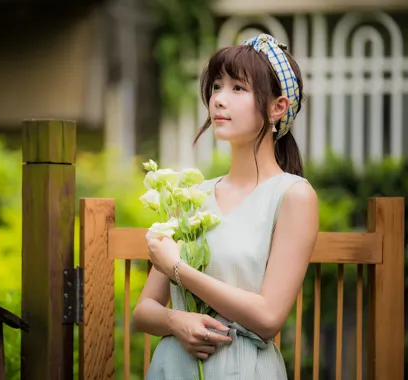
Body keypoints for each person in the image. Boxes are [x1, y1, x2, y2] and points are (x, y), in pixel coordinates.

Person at [133, 33, 319, 379]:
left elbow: (268, 318)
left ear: (277, 107)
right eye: (217, 86)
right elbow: (143, 311)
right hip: (172, 366)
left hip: (243, 367)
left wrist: (178, 270)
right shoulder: (191, 197)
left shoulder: (293, 195)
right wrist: (177, 321)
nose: (219, 99)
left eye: (238, 89)